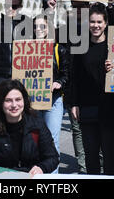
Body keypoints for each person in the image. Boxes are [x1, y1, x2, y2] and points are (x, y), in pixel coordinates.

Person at [70, 2, 114, 175]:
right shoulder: (80, 46)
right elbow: (74, 77)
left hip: (108, 106)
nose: (96, 26)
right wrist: (73, 103)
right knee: (90, 152)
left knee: (109, 150)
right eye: (92, 22)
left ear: (106, 23)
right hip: (87, 106)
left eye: (99, 22)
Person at [0, 79, 59, 176]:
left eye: (18, 99)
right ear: (1, 103)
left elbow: (53, 157)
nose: (14, 105)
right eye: (8, 100)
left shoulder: (37, 124)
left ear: (24, 100)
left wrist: (41, 168)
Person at [33, 14, 69, 173]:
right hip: (33, 102)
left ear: (49, 29)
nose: (38, 29)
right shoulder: (27, 48)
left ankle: (52, 177)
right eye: (36, 26)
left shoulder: (58, 49)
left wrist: (59, 83)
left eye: (42, 26)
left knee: (52, 140)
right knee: (34, 140)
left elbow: (66, 74)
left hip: (53, 101)